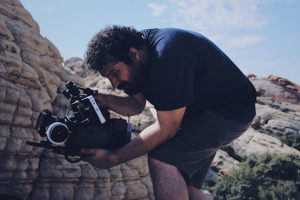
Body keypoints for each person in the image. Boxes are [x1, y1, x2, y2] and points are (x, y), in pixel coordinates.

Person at [82, 26, 256, 200]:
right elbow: (135, 105)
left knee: (163, 160)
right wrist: (104, 100)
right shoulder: (137, 55)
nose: (114, 83)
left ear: (134, 54)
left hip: (230, 110)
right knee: (188, 184)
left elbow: (167, 129)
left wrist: (112, 158)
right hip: (201, 114)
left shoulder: (167, 57)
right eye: (109, 77)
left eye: (115, 73)